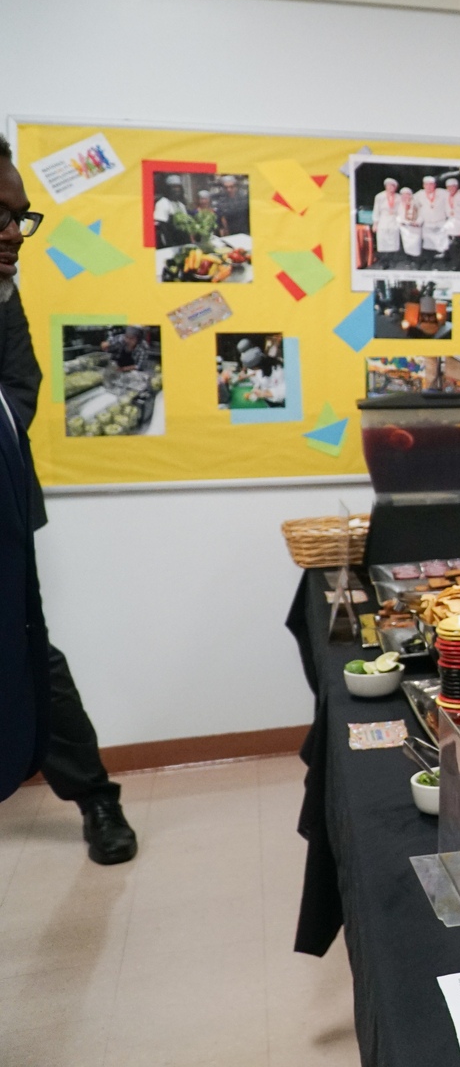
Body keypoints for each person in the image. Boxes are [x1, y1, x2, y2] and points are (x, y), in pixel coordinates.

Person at [0, 141, 135, 853]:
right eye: (0, 215)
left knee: (29, 656)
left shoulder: (3, 289)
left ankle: (97, 799)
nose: (13, 235)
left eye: (22, 218)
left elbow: (20, 387)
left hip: (2, 503)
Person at [416, 175, 450, 263]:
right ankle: (429, 262)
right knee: (429, 245)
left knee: (442, 245)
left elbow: (453, 191)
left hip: (440, 222)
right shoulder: (419, 194)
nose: (429, 187)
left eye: (431, 184)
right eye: (426, 184)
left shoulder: (443, 193)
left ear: (435, 185)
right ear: (423, 186)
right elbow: (407, 199)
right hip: (427, 223)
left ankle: (443, 263)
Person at [152, 174, 189, 249]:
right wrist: (170, 245)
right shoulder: (162, 203)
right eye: (173, 187)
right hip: (169, 243)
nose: (176, 190)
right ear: (168, 189)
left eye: (178, 187)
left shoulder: (181, 205)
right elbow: (162, 228)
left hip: (182, 242)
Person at [372, 178, 403, 266]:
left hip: (394, 220)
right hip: (383, 219)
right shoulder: (379, 196)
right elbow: (376, 210)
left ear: (395, 188)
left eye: (393, 186)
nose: (390, 188)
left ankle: (392, 260)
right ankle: (383, 261)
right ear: (385, 186)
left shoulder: (399, 197)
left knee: (393, 240)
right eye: (388, 185)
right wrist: (375, 223)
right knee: (383, 240)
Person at [397, 188, 422, 261]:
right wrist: (400, 221)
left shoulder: (416, 203)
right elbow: (396, 215)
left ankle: (417, 262)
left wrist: (417, 222)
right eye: (403, 195)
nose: (405, 197)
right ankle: (408, 261)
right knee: (406, 246)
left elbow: (421, 215)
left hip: (415, 228)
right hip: (404, 229)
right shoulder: (399, 204)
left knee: (416, 246)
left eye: (407, 194)